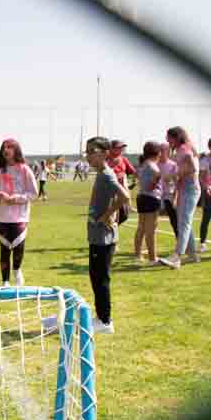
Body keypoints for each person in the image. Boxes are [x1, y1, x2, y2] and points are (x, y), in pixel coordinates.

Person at [85, 136, 130, 335]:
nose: (87, 156)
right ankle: (101, 316)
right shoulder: (102, 173)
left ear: (104, 153)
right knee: (96, 276)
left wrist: (105, 215)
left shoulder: (106, 175)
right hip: (98, 236)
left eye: (91, 152)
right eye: (86, 152)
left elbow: (125, 196)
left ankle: (105, 320)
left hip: (103, 238)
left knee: (100, 278)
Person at [0, 138, 38, 287]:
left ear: (16, 150)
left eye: (9, 147)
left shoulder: (24, 169)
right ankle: (5, 281)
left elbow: (34, 193)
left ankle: (17, 271)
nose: (6, 150)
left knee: (18, 246)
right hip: (1, 216)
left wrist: (17, 198)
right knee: (4, 248)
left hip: (20, 217)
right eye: (4, 147)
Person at [160, 126, 201, 269]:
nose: (167, 140)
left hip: (190, 189)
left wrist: (172, 175)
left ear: (176, 137)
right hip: (186, 189)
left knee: (183, 223)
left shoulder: (183, 149)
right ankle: (192, 255)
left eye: (169, 138)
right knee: (184, 222)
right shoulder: (182, 149)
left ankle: (177, 256)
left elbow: (192, 168)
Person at [133, 142, 162, 264]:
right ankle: (152, 258)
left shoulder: (143, 164)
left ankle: (138, 255)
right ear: (157, 153)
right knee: (151, 230)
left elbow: (137, 176)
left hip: (141, 197)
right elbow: (154, 181)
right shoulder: (153, 166)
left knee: (141, 228)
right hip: (151, 198)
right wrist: (156, 182)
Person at [106, 140, 136, 227]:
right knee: (112, 214)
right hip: (110, 190)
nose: (121, 150)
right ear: (111, 149)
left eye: (122, 148)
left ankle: (113, 228)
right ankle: (110, 232)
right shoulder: (106, 159)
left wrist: (134, 180)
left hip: (122, 191)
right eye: (118, 148)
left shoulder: (123, 159)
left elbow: (132, 172)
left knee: (124, 215)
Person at [157, 142, 178, 238]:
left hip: (169, 196)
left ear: (168, 152)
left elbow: (177, 183)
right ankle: (149, 246)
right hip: (156, 196)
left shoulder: (173, 165)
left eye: (163, 150)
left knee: (174, 220)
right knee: (151, 222)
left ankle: (180, 243)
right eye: (159, 150)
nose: (161, 152)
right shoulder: (154, 164)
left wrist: (175, 197)